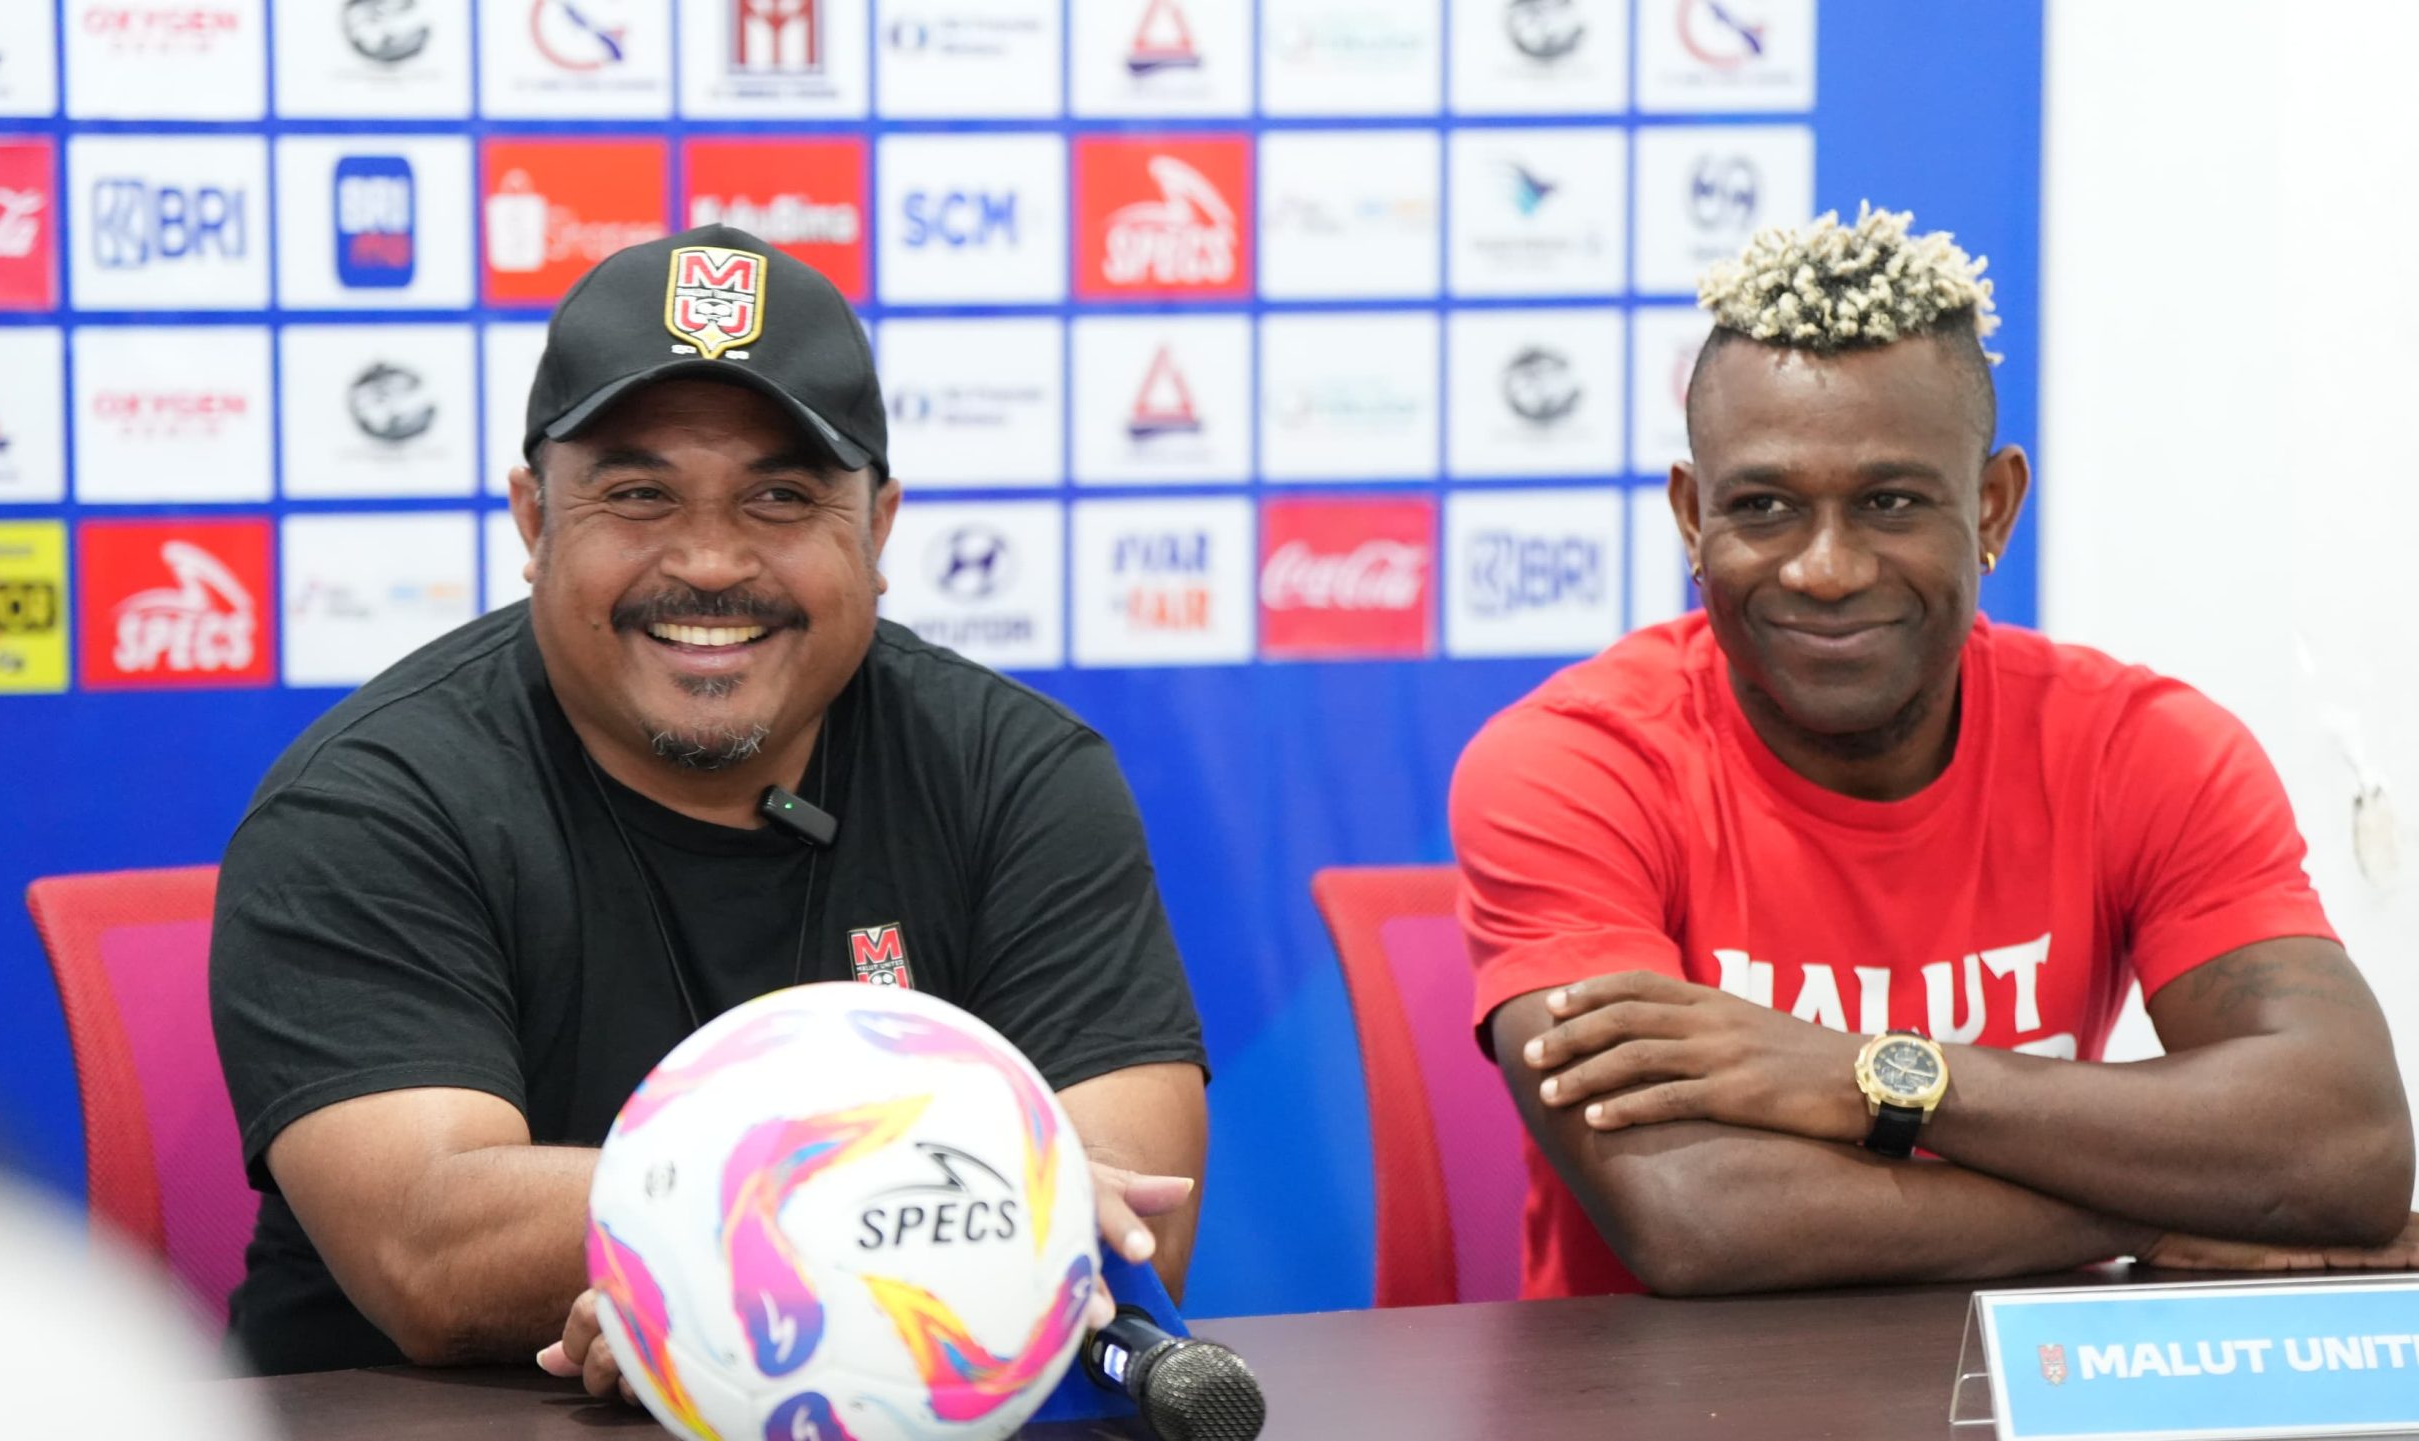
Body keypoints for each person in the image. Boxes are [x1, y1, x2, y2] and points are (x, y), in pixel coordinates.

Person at [210, 224, 1210, 1381]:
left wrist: (714, 1269)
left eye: (779, 497)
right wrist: (867, 1216)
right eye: (638, 494)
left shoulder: (1015, 773)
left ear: (877, 528)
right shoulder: (370, 803)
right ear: (534, 520)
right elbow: (435, 1247)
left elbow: (1131, 1217)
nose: (710, 562)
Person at [1452, 205, 2417, 1299]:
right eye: (1763, 506)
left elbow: (2348, 1143)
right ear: (1691, 517)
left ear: (1992, 507)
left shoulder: (2144, 751)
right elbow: (1695, 1216)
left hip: (2029, 1376)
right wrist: (2169, 1203)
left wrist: (1859, 1073)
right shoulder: (1572, 768)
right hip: (1668, 1386)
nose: (1824, 569)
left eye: (1889, 503)